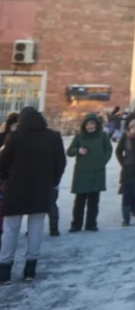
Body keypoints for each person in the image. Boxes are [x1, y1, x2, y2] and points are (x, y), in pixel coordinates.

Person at [0, 107, 66, 285]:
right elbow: (61, 162)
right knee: (36, 229)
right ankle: (30, 269)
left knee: (10, 230)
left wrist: (5, 178)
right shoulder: (53, 137)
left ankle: (4, 270)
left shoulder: (15, 137)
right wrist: (53, 182)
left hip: (16, 189)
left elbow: (3, 162)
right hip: (41, 190)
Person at [66, 113, 112, 232]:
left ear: (96, 125)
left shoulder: (103, 136)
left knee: (93, 201)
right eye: (87, 124)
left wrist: (103, 161)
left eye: (92, 124)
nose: (90, 126)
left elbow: (109, 149)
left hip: (97, 172)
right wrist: (78, 150)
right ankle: (76, 224)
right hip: (82, 172)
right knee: (79, 201)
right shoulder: (79, 137)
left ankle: (91, 223)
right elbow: (69, 151)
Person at [0, 113, 18, 245]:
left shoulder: (23, 139)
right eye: (13, 125)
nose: (15, 128)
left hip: (16, 175)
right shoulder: (2, 137)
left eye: (17, 125)